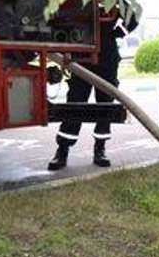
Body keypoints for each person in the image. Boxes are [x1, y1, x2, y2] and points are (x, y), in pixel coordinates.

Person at [48, 9, 138, 170]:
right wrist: (66, 48)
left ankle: (100, 149)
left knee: (105, 105)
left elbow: (134, 13)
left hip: (107, 56)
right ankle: (62, 150)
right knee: (75, 103)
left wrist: (117, 33)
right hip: (82, 54)